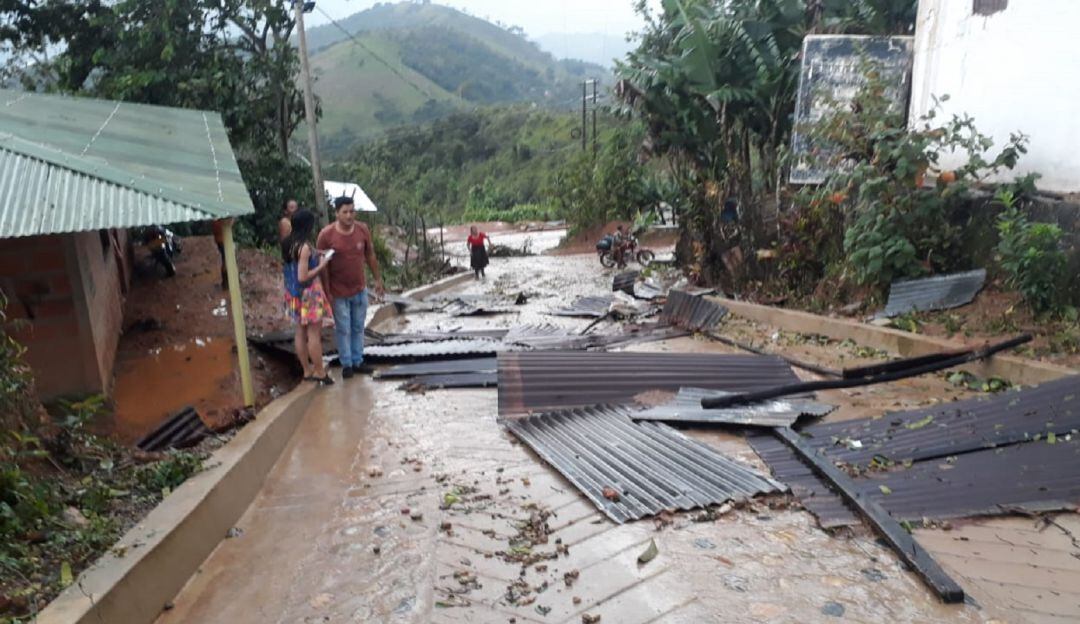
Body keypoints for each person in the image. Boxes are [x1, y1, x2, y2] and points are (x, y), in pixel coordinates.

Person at [317, 196, 385, 379]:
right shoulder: (326, 235)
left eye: (352, 211)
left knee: (358, 327)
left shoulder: (362, 230)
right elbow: (323, 267)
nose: (349, 215)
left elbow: (370, 255)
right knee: (343, 328)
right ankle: (346, 364)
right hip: (338, 293)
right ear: (337, 213)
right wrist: (326, 292)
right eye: (345, 212)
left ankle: (358, 361)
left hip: (359, 289)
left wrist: (378, 279)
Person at [281, 210, 334, 385]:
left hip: (292, 294)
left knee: (299, 332)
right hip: (308, 294)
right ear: (307, 226)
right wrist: (322, 264)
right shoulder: (303, 247)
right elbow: (303, 276)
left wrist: (317, 252)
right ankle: (320, 372)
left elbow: (298, 261)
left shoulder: (288, 243)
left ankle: (307, 370)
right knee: (313, 334)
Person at [211, 218, 231, 290]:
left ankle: (225, 283)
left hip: (220, 240)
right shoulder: (219, 221)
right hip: (223, 240)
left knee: (225, 259)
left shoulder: (216, 220)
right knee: (225, 260)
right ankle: (226, 284)